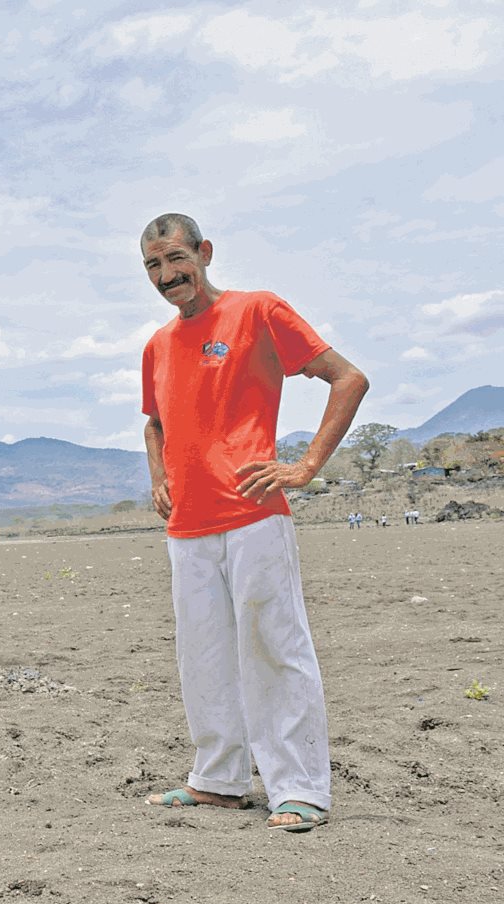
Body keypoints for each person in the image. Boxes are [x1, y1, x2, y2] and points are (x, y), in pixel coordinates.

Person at [138, 213, 369, 832]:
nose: (167, 275)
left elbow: (347, 378)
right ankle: (218, 780)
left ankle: (300, 789)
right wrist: (158, 475)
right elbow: (154, 421)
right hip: (187, 527)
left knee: (274, 649)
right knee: (203, 657)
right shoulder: (157, 345)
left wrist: (306, 466)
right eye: (153, 267)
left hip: (252, 515)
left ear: (204, 253)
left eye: (175, 259)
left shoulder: (257, 310)